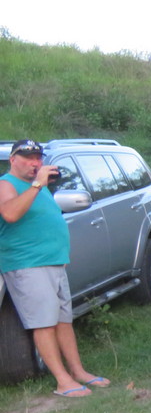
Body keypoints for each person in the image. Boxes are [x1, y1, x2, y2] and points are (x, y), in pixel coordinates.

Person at [0, 139, 109, 396]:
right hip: (27, 264)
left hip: (53, 262)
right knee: (44, 323)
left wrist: (39, 186)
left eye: (38, 158)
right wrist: (38, 184)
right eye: (28, 158)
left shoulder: (38, 187)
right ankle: (62, 381)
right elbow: (10, 214)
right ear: (13, 160)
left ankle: (78, 372)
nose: (35, 163)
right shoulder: (6, 184)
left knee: (63, 321)